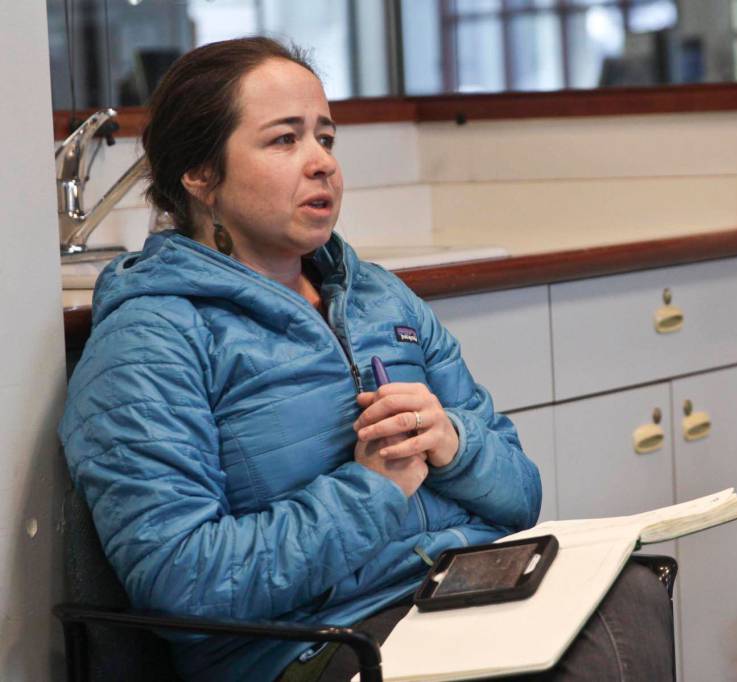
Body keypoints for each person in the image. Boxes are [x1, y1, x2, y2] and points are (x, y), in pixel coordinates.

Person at [58, 37, 674, 682]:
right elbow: (180, 579)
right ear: (200, 174)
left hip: (454, 594)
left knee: (630, 591)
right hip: (312, 646)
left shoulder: (380, 296)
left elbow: (521, 495)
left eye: (326, 138)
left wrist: (455, 445)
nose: (322, 163)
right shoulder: (153, 334)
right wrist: (371, 489)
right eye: (284, 141)